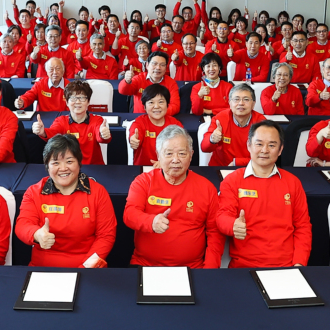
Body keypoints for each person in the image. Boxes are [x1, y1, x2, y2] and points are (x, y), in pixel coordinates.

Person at [125, 125, 224, 268]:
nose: (175, 160)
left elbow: (215, 233)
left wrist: (210, 269)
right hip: (146, 264)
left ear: (191, 155)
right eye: (169, 153)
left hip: (192, 267)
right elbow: (129, 215)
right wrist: (151, 222)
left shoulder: (207, 188)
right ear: (158, 155)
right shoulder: (143, 181)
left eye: (182, 153)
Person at [217, 121, 312, 267]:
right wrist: (232, 225)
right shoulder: (232, 181)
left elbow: (303, 227)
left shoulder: (293, 182)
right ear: (249, 145)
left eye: (272, 145)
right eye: (259, 144)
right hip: (244, 266)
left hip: (286, 266)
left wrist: (299, 263)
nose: (265, 150)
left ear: (280, 150)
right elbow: (222, 216)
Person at [15, 134, 117, 267]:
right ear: (47, 166)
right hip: (44, 266)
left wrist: (85, 268)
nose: (63, 168)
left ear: (79, 162)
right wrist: (36, 234)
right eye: (55, 163)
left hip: (88, 266)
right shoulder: (34, 192)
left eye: (69, 161)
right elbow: (22, 225)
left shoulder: (98, 192)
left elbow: (106, 236)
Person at [32, 80, 112, 165]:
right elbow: (52, 133)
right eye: (73, 98)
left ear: (88, 102)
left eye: (82, 98)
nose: (77, 102)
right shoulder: (61, 121)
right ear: (67, 102)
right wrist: (43, 132)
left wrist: (104, 135)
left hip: (94, 167)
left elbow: (101, 137)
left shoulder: (97, 120)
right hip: (69, 167)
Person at [201, 83, 266, 167]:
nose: (241, 103)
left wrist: (237, 162)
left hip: (250, 168)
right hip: (221, 168)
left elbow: (264, 156)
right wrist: (212, 139)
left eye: (246, 99)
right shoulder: (220, 119)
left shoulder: (261, 123)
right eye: (236, 99)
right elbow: (204, 148)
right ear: (230, 103)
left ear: (253, 104)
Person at [128, 84, 182, 166]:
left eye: (161, 102)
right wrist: (133, 140)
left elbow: (180, 148)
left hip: (169, 168)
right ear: (144, 107)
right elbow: (134, 134)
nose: (156, 106)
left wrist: (164, 163)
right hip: (144, 169)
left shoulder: (175, 124)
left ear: (167, 105)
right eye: (151, 102)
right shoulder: (140, 122)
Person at [119, 51, 181, 116]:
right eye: (154, 64)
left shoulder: (171, 83)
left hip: (162, 118)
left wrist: (157, 114)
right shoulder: (139, 79)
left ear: (166, 68)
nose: (158, 67)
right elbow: (123, 91)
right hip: (140, 118)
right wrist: (127, 81)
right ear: (147, 65)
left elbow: (175, 106)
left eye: (162, 65)